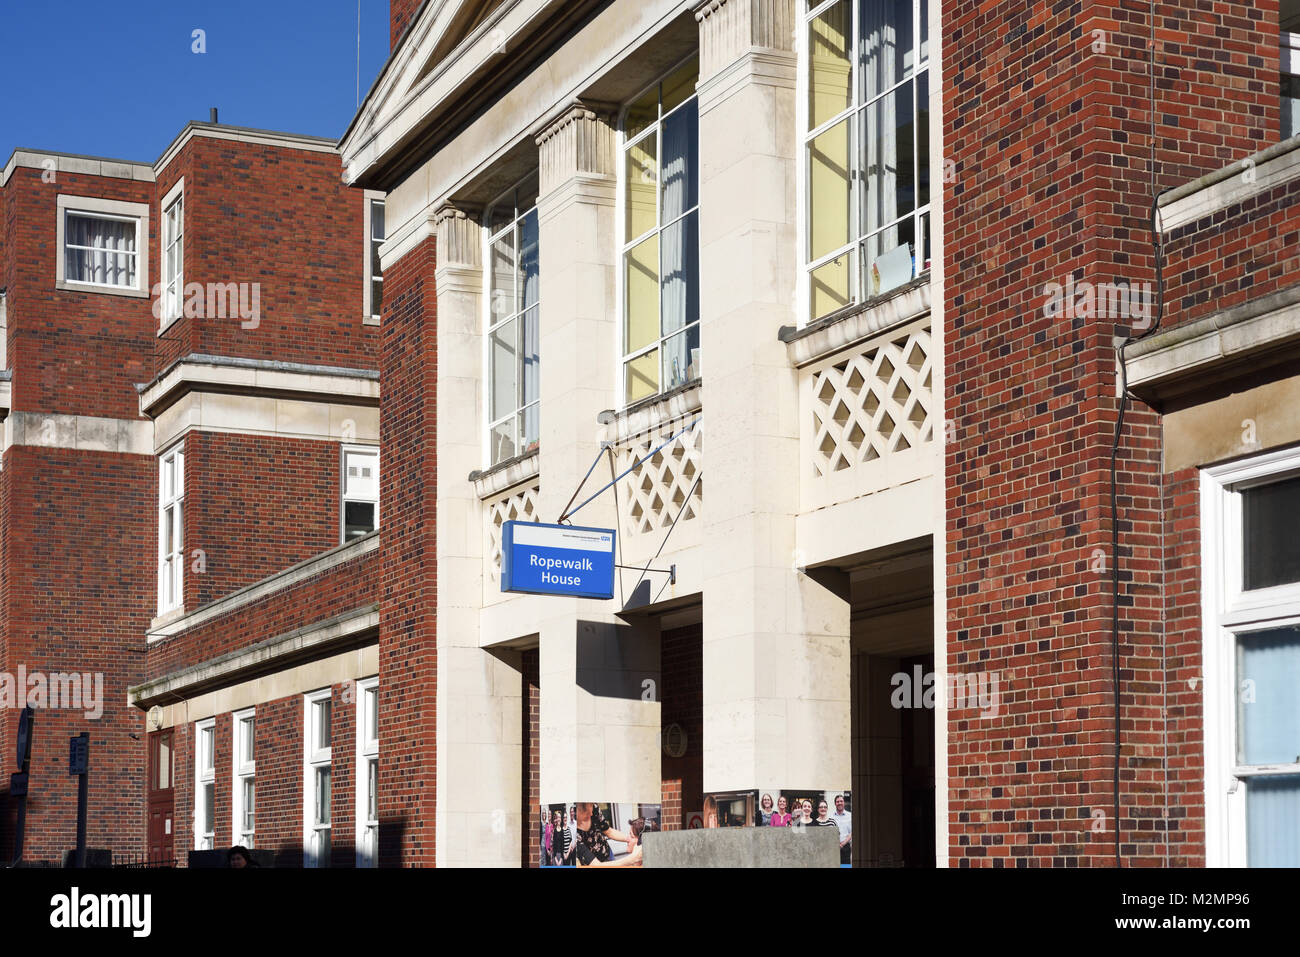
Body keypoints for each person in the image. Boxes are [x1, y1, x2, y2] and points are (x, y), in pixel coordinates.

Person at [572, 802, 641, 867]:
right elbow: (596, 865)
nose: (591, 814)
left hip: (606, 852)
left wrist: (630, 839)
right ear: (576, 812)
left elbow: (609, 831)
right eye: (586, 813)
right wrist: (632, 859)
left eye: (591, 808)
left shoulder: (594, 808)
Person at [832, 794, 852, 866]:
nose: (839, 803)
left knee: (845, 866)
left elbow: (852, 833)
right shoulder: (831, 816)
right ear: (835, 804)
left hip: (845, 847)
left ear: (844, 803)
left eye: (841, 801)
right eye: (837, 801)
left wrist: (842, 843)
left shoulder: (850, 816)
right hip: (833, 847)